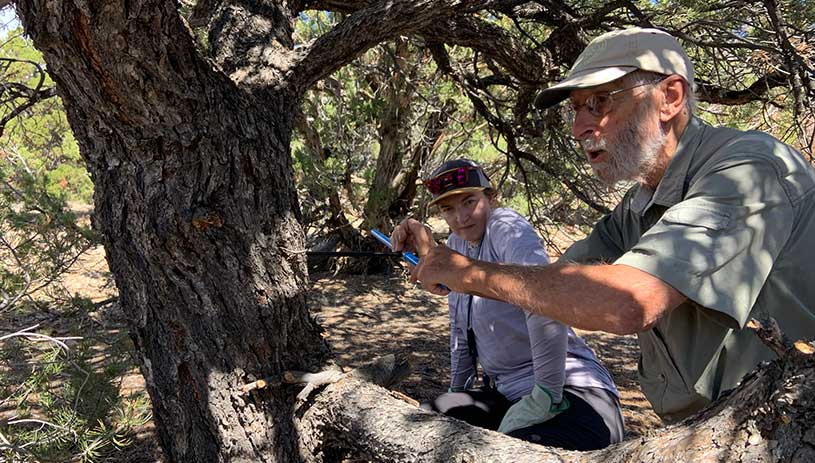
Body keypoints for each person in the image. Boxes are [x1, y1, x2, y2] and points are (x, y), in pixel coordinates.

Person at [394, 27, 815, 425]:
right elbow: (554, 284)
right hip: (710, 428)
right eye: (577, 108)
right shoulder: (637, 206)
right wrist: (441, 260)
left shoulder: (749, 168)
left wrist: (468, 273)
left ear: (669, 97)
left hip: (783, 430)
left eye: (600, 102)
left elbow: (629, 302)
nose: (579, 128)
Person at [390, 158, 624, 450]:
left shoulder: (505, 225)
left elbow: (543, 300)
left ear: (490, 197)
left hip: (571, 390)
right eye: (448, 209)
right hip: (510, 395)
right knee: (425, 425)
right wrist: (457, 394)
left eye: (469, 202)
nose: (461, 217)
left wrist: (546, 394)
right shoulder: (457, 246)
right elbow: (460, 332)